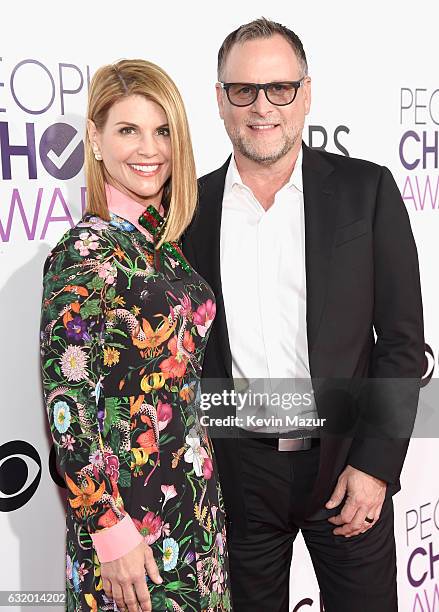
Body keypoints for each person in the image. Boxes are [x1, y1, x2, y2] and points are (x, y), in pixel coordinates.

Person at [182, 18, 424, 612]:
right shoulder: (186, 209)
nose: (262, 107)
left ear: (306, 93)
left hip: (346, 469)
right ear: (220, 100)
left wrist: (374, 466)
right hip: (235, 480)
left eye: (280, 88)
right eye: (244, 90)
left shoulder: (367, 191)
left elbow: (400, 343)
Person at [40, 59, 231, 612]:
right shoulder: (84, 254)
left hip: (193, 516)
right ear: (96, 141)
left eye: (162, 131)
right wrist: (109, 529)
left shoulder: (162, 246)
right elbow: (67, 406)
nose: (150, 149)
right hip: (129, 532)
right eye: (129, 130)